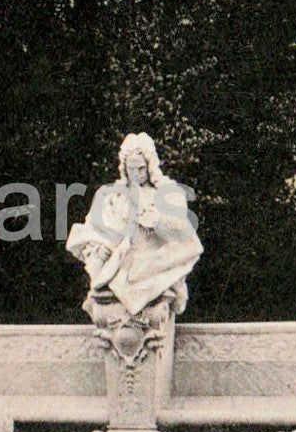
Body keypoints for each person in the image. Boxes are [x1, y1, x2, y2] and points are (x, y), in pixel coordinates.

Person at [66, 133, 203, 326]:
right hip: (121, 255)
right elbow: (97, 227)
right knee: (102, 257)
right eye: (132, 168)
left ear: (150, 166)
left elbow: (180, 229)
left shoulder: (167, 193)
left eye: (141, 168)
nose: (137, 173)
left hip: (154, 255)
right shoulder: (113, 196)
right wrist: (101, 244)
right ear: (124, 168)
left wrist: (155, 220)